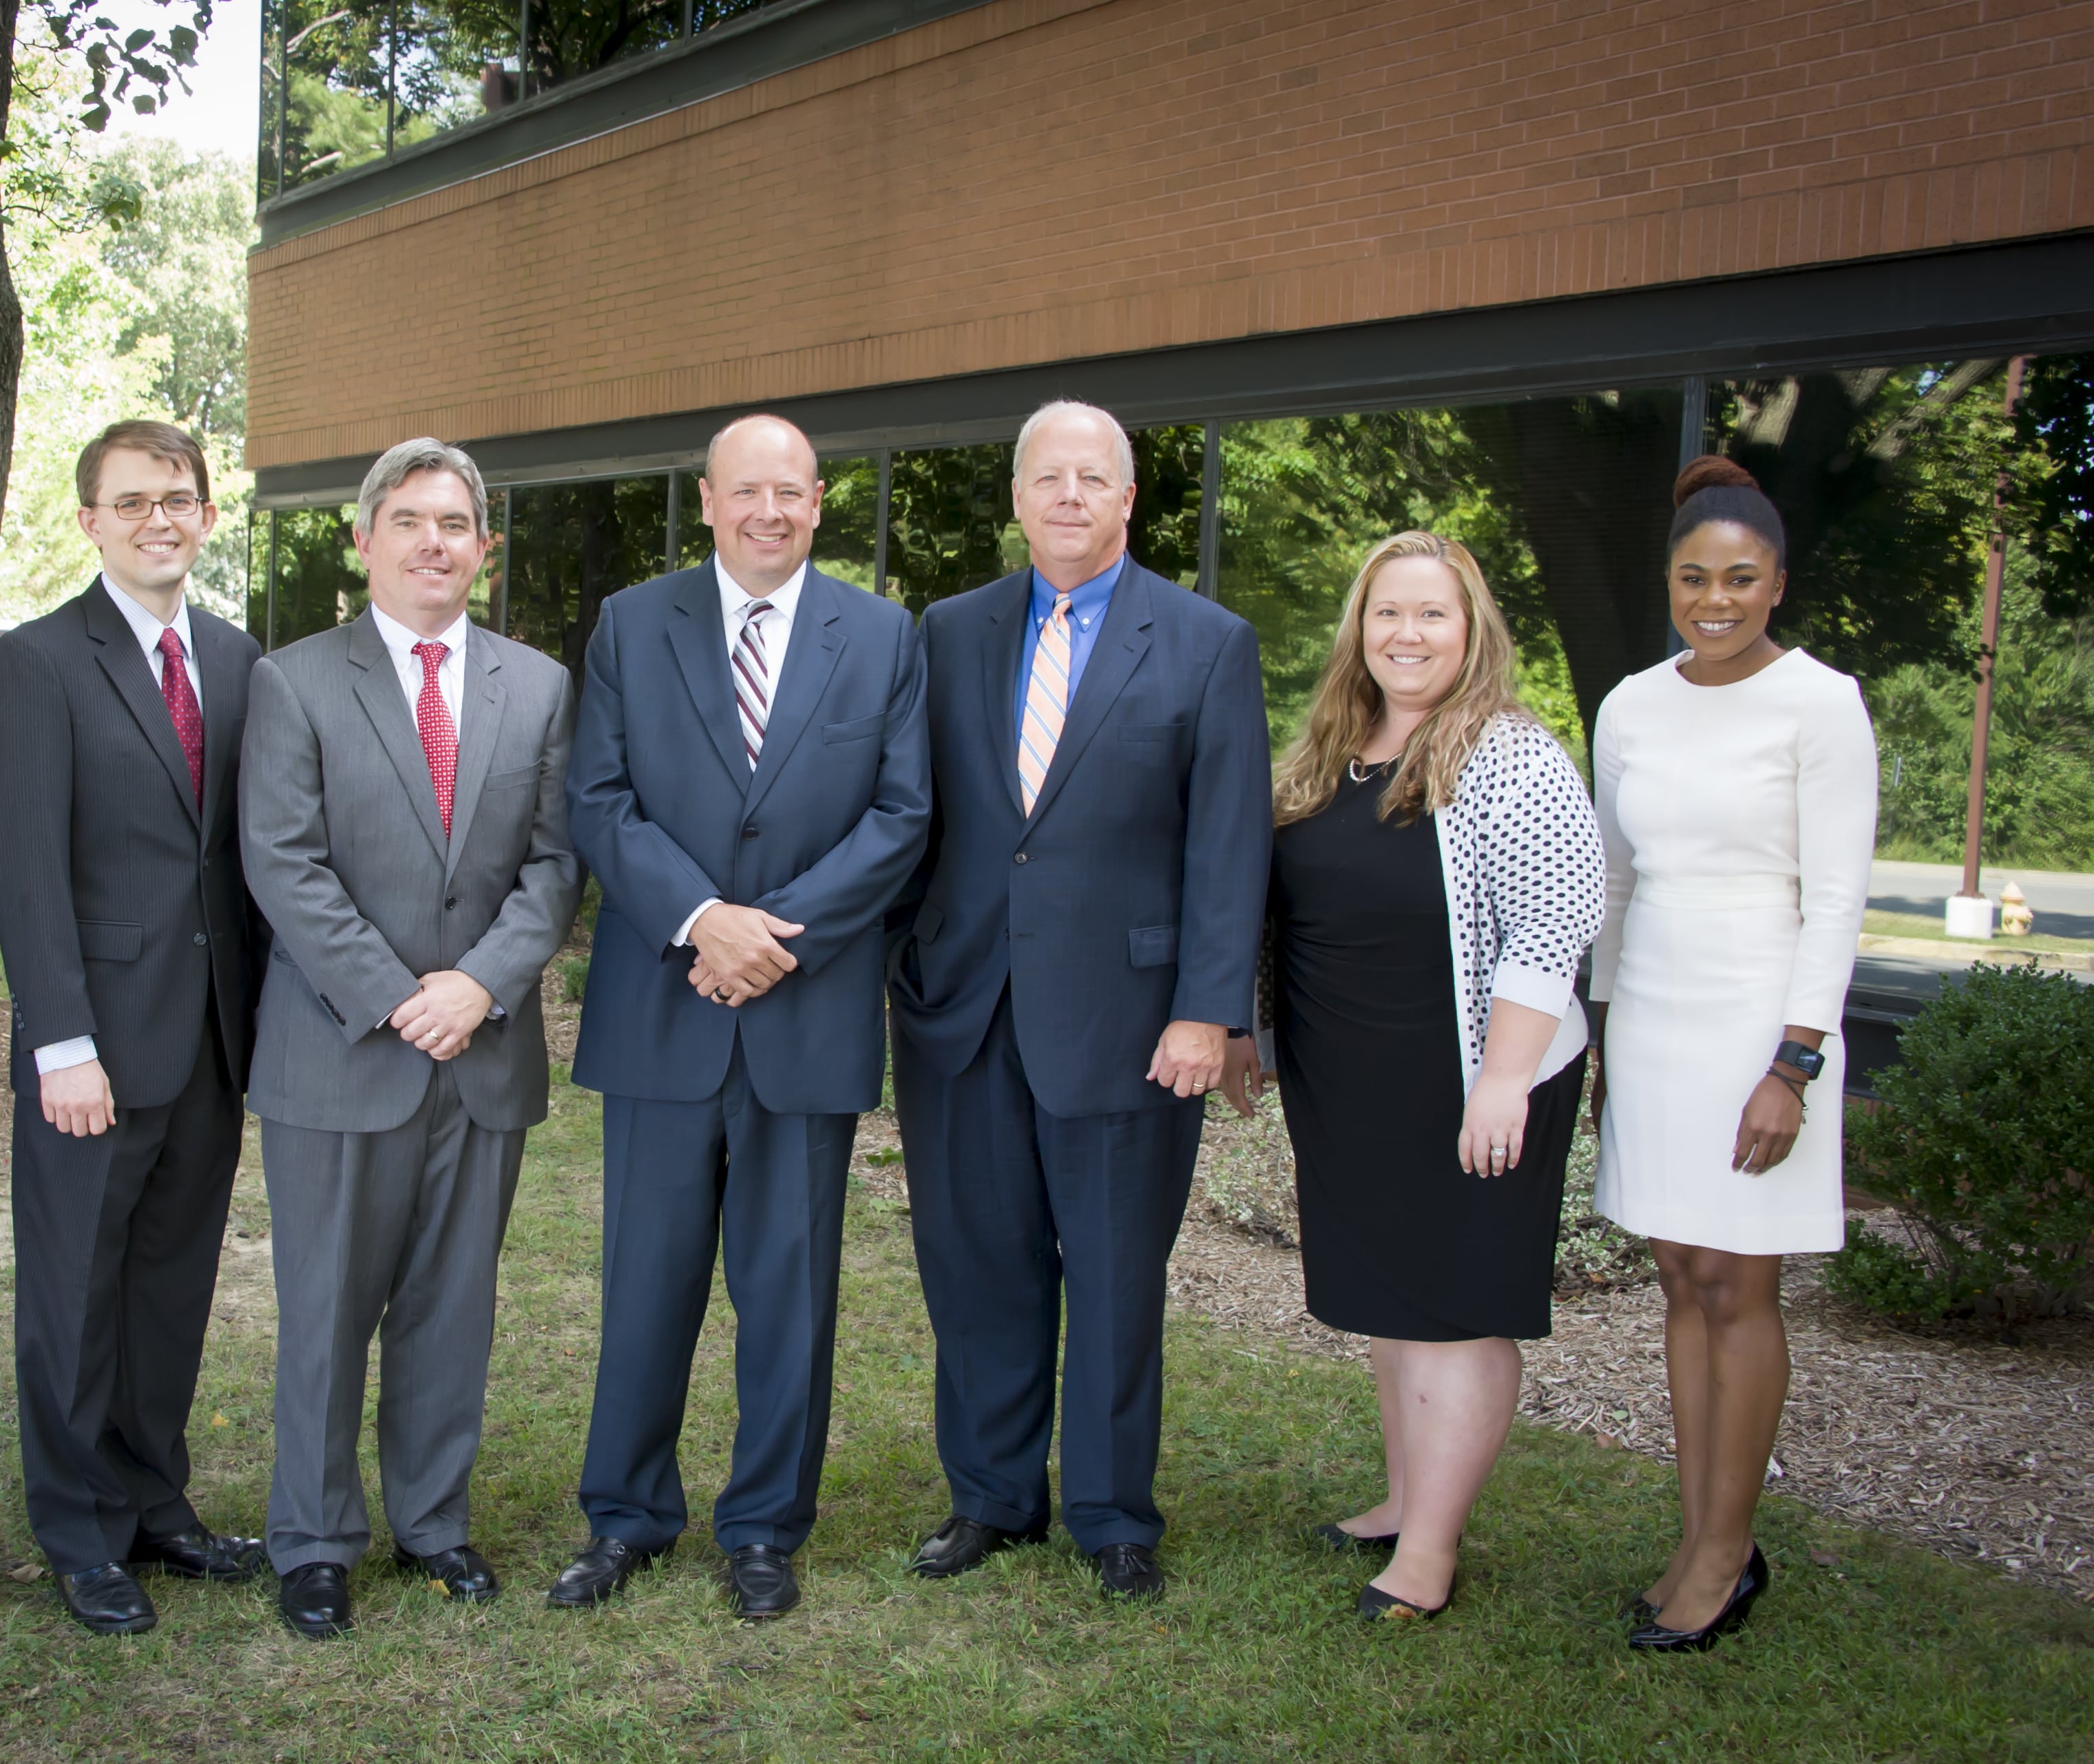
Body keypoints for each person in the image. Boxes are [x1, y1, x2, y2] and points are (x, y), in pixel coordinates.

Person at [887, 401, 1269, 1599]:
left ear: (1125, 501)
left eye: (1090, 478)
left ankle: (1112, 1512)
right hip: (964, 1004)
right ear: (1017, 499)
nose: (1066, 496)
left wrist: (1208, 1008)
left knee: (1111, 1271)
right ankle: (992, 1496)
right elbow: (907, 816)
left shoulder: (1206, 642)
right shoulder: (945, 632)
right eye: (1045, 477)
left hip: (1130, 1015)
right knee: (975, 1260)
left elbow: (1228, 843)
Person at [559, 412, 930, 1620]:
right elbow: (600, 799)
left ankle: (765, 1524)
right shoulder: (632, 622)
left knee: (790, 1290)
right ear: (708, 502)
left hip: (802, 1009)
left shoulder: (880, 635)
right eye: (745, 492)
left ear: (818, 501)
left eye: (791, 492)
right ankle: (625, 1515)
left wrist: (769, 939)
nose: (768, 511)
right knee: (645, 1281)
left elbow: (900, 814)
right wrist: (701, 920)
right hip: (664, 1004)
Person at [239, 439, 582, 1640]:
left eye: (455, 523)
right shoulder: (292, 682)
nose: (433, 541)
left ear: (483, 548)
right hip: (343, 1049)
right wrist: (399, 995)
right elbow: (282, 863)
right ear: (363, 539)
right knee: (326, 1305)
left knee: (453, 1301)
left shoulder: (536, 685)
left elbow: (553, 863)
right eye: (410, 521)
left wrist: (477, 988)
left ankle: (433, 1521)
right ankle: (315, 1537)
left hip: (480, 1052)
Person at [1240, 532, 1604, 1622]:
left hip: (1471, 1076)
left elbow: (1555, 920)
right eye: (1386, 612)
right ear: (1359, 628)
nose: (1406, 633)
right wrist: (1255, 1031)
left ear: (1471, 630)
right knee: (1394, 1303)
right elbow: (1287, 914)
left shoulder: (1508, 753)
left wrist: (1503, 1079)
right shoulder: (1326, 752)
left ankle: (1429, 1554)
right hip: (1349, 1079)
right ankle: (1403, 1498)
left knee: (1452, 1307)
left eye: (1431, 614)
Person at [0, 419, 268, 1636]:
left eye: (180, 497)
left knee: (169, 1287)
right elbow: (26, 874)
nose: (161, 517)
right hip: (91, 1049)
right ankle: (80, 1530)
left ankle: (155, 1501)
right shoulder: (39, 663)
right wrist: (60, 1044)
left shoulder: (241, 660)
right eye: (133, 499)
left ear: (206, 515)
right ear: (89, 519)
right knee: (75, 1296)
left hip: (210, 1039)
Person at [1591, 455, 1876, 1651]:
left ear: (1776, 584)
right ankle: (1699, 1529)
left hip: (1762, 1023)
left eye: (1739, 578)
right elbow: (1609, 879)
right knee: (1677, 1281)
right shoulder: (1627, 704)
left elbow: (1837, 897)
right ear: (1668, 580)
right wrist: (1598, 1029)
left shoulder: (1822, 702)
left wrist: (1793, 1064)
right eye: (1692, 577)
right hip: (1651, 1019)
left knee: (1736, 1283)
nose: (1714, 598)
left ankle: (1725, 1549)